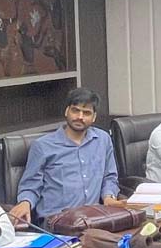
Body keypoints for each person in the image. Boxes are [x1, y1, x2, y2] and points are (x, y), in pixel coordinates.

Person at [11, 88, 124, 225]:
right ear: (66, 111)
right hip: (56, 221)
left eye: (86, 113)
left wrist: (109, 197)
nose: (80, 117)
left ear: (94, 117)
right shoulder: (42, 146)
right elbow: (31, 184)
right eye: (75, 110)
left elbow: (109, 177)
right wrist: (25, 202)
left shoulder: (103, 140)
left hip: (93, 219)